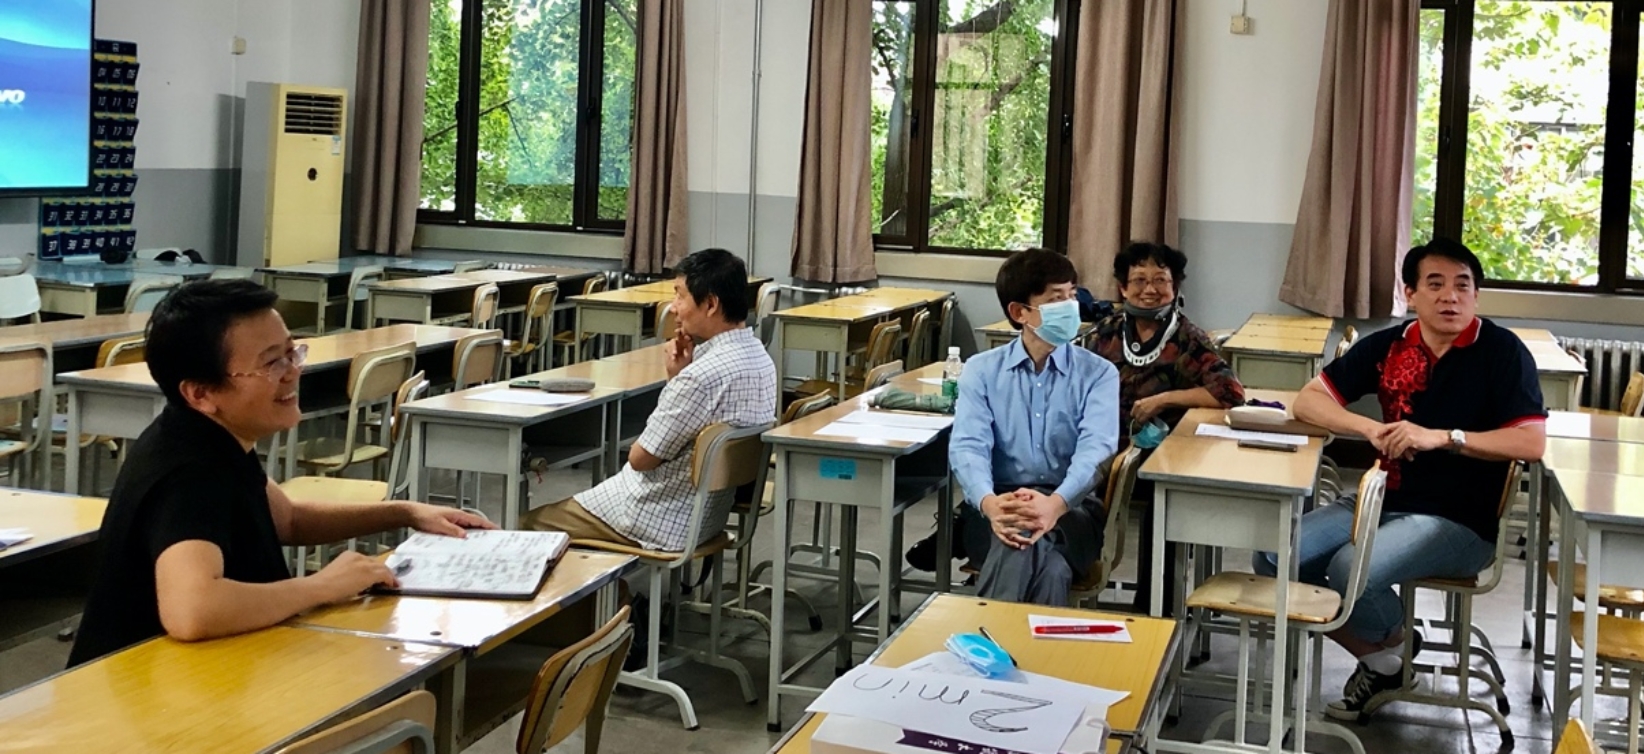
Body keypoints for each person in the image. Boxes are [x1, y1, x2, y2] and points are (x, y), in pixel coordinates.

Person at [69, 279, 492, 667]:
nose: (293, 371)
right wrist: (323, 586)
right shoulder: (188, 471)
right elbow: (193, 611)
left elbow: (287, 519)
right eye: (272, 363)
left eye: (293, 352)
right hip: (137, 694)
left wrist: (404, 512)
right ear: (200, 393)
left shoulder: (212, 436)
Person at [1254, 238, 1545, 721]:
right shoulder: (1391, 345)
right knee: (1273, 557)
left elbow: (1531, 443)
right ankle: (1387, 655)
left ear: (1476, 295)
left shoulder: (1502, 352)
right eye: (1435, 284)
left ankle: (1389, 648)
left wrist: (1446, 438)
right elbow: (1308, 400)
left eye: (1463, 286)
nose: (1450, 296)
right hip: (1381, 497)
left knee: (1350, 570)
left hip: (1459, 519)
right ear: (1410, 294)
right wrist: (1370, 428)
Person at [522, 248, 776, 554]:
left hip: (653, 518)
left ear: (710, 304)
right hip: (706, 518)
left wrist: (679, 381)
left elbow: (641, 459)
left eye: (680, 295)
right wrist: (677, 377)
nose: (673, 307)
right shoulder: (762, 360)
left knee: (525, 525)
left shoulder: (702, 376)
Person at [941, 248, 1120, 605]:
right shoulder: (981, 370)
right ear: (1019, 312)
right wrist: (990, 504)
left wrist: (1054, 505)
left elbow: (1097, 450)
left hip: (1072, 509)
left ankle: (987, 632)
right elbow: (968, 446)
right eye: (1056, 299)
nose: (1070, 307)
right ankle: (1029, 643)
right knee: (1051, 570)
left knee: (1021, 540)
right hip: (997, 504)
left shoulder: (1099, 373)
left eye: (1072, 295)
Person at [1087, 241, 1244, 612]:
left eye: (1161, 280)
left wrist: (1166, 399)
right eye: (1139, 280)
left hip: (1163, 454)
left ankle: (1155, 609)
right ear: (1123, 288)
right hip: (1105, 446)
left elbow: (1230, 393)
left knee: (1163, 497)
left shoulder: (1188, 338)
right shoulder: (1106, 333)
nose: (1150, 289)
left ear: (1175, 287)